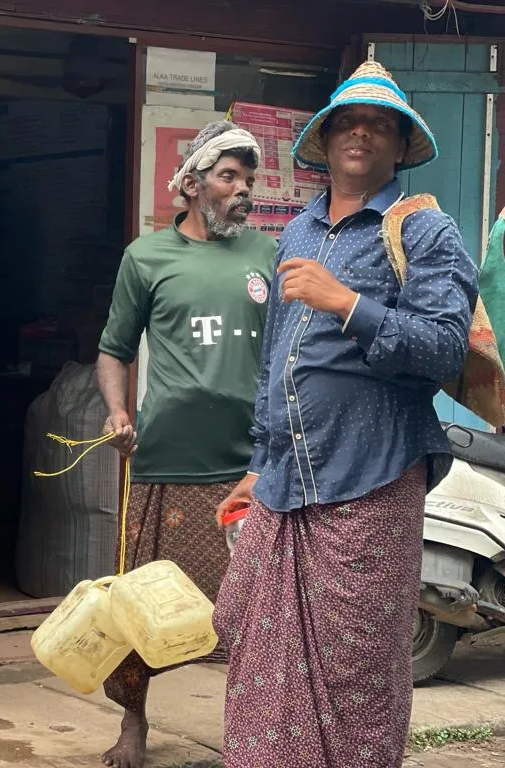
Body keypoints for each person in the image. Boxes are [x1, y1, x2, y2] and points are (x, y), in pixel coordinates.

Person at [213, 61, 478, 768]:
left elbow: (443, 348)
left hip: (372, 480)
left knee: (354, 669)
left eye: (381, 124)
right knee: (242, 626)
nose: (362, 132)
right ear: (325, 142)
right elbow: (277, 363)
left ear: (399, 148)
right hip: (287, 482)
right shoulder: (295, 234)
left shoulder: (424, 232)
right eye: (348, 122)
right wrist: (259, 465)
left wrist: (347, 304)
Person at [96, 121, 276, 768]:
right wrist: (118, 411)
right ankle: (134, 724)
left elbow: (287, 353)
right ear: (193, 184)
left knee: (253, 617)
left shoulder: (267, 255)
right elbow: (114, 349)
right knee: (141, 610)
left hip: (251, 467)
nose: (242, 190)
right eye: (229, 177)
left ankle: (250, 737)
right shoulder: (147, 257)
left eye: (248, 179)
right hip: (166, 461)